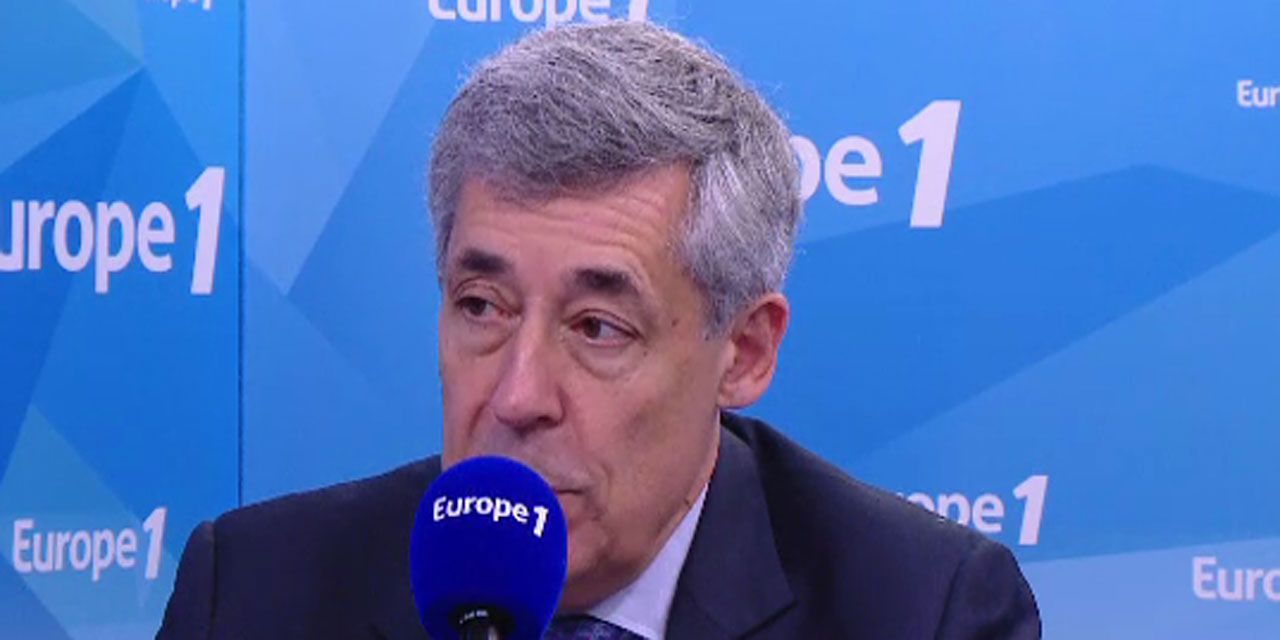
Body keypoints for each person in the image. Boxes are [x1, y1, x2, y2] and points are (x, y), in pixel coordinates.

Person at [158, 20, 1040, 640]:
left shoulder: (921, 613)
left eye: (598, 327)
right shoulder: (250, 596)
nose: (517, 397)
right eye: (482, 306)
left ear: (744, 351)